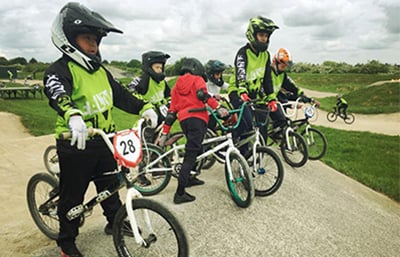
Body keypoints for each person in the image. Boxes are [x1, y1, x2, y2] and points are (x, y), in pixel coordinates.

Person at [43, 3, 158, 257]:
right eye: (87, 39)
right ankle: (66, 240)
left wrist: (145, 107)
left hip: (105, 140)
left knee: (111, 185)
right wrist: (72, 114)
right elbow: (56, 92)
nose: (93, 45)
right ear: (69, 40)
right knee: (73, 196)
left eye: (95, 40)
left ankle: (114, 221)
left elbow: (123, 97)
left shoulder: (101, 72)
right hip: (76, 143)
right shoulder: (60, 70)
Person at [156, 58, 229, 204]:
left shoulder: (176, 86)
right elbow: (203, 95)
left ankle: (190, 178)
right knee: (190, 155)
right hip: (198, 118)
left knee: (197, 148)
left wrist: (164, 133)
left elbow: (171, 113)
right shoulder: (197, 80)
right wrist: (218, 108)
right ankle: (180, 193)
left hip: (184, 121)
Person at [227, 15, 285, 149]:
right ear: (252, 34)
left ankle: (260, 152)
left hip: (254, 94)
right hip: (237, 92)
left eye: (266, 36)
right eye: (261, 35)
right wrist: (242, 91)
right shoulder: (243, 53)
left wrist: (271, 98)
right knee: (246, 123)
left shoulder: (266, 55)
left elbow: (267, 79)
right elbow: (240, 72)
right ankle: (238, 149)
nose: (264, 38)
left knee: (262, 124)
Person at [127, 50, 171, 132]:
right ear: (149, 67)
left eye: (161, 68)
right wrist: (145, 104)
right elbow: (130, 91)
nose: (160, 70)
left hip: (162, 118)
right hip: (147, 119)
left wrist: (168, 104)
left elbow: (169, 95)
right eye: (157, 67)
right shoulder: (142, 80)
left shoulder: (162, 82)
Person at [271, 48, 320, 112]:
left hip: (276, 103)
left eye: (285, 67)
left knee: (284, 120)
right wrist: (289, 104)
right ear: (275, 63)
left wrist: (307, 98)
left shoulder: (282, 75)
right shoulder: (267, 73)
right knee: (280, 119)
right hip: (265, 105)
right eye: (282, 66)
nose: (284, 69)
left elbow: (292, 87)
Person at [204, 59, 229, 131]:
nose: (219, 76)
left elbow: (227, 87)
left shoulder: (218, 82)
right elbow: (204, 92)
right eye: (217, 74)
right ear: (210, 74)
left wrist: (237, 89)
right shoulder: (204, 82)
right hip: (207, 111)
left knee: (230, 116)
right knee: (211, 127)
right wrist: (213, 95)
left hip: (216, 108)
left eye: (221, 74)